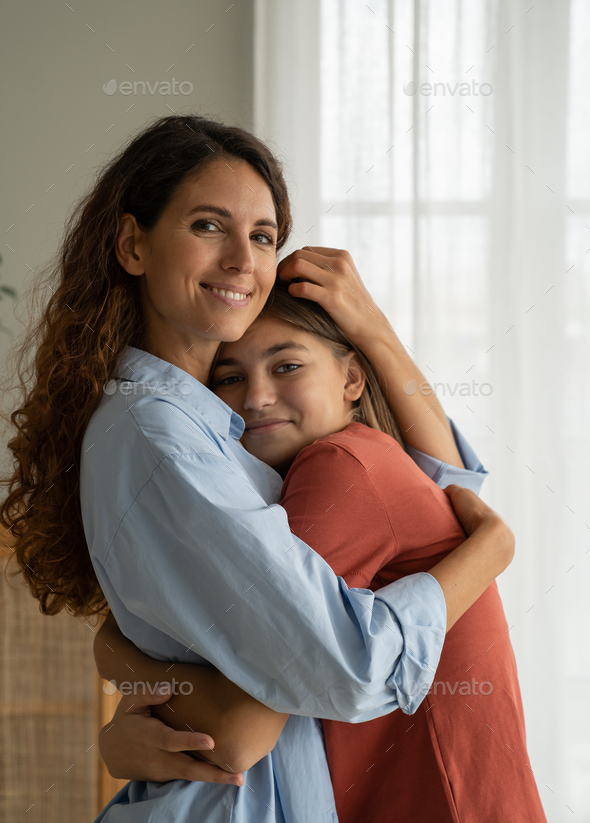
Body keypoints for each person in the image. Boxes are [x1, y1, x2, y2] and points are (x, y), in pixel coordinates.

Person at [1, 114, 509, 823]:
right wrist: (492, 548)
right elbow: (346, 665)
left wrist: (119, 658)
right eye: (209, 225)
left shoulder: (225, 433)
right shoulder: (163, 437)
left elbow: (425, 499)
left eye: (264, 236)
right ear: (133, 244)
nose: (243, 258)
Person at [96, 282, 545, 823]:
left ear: (352, 378)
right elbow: (450, 475)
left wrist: (115, 655)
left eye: (286, 367)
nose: (256, 397)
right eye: (230, 378)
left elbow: (240, 732)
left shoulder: (338, 467)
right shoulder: (363, 459)